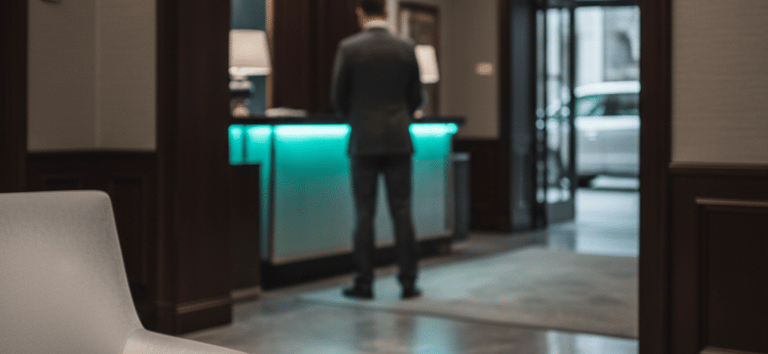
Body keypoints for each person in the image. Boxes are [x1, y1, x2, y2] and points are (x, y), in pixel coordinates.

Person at [331, 0, 424, 300]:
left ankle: (364, 282)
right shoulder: (406, 47)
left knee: (364, 214)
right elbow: (415, 97)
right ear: (386, 12)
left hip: (364, 140)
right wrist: (399, 118)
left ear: (360, 13)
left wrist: (357, 120)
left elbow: (338, 97)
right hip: (398, 139)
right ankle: (408, 283)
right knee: (402, 212)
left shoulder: (349, 48)